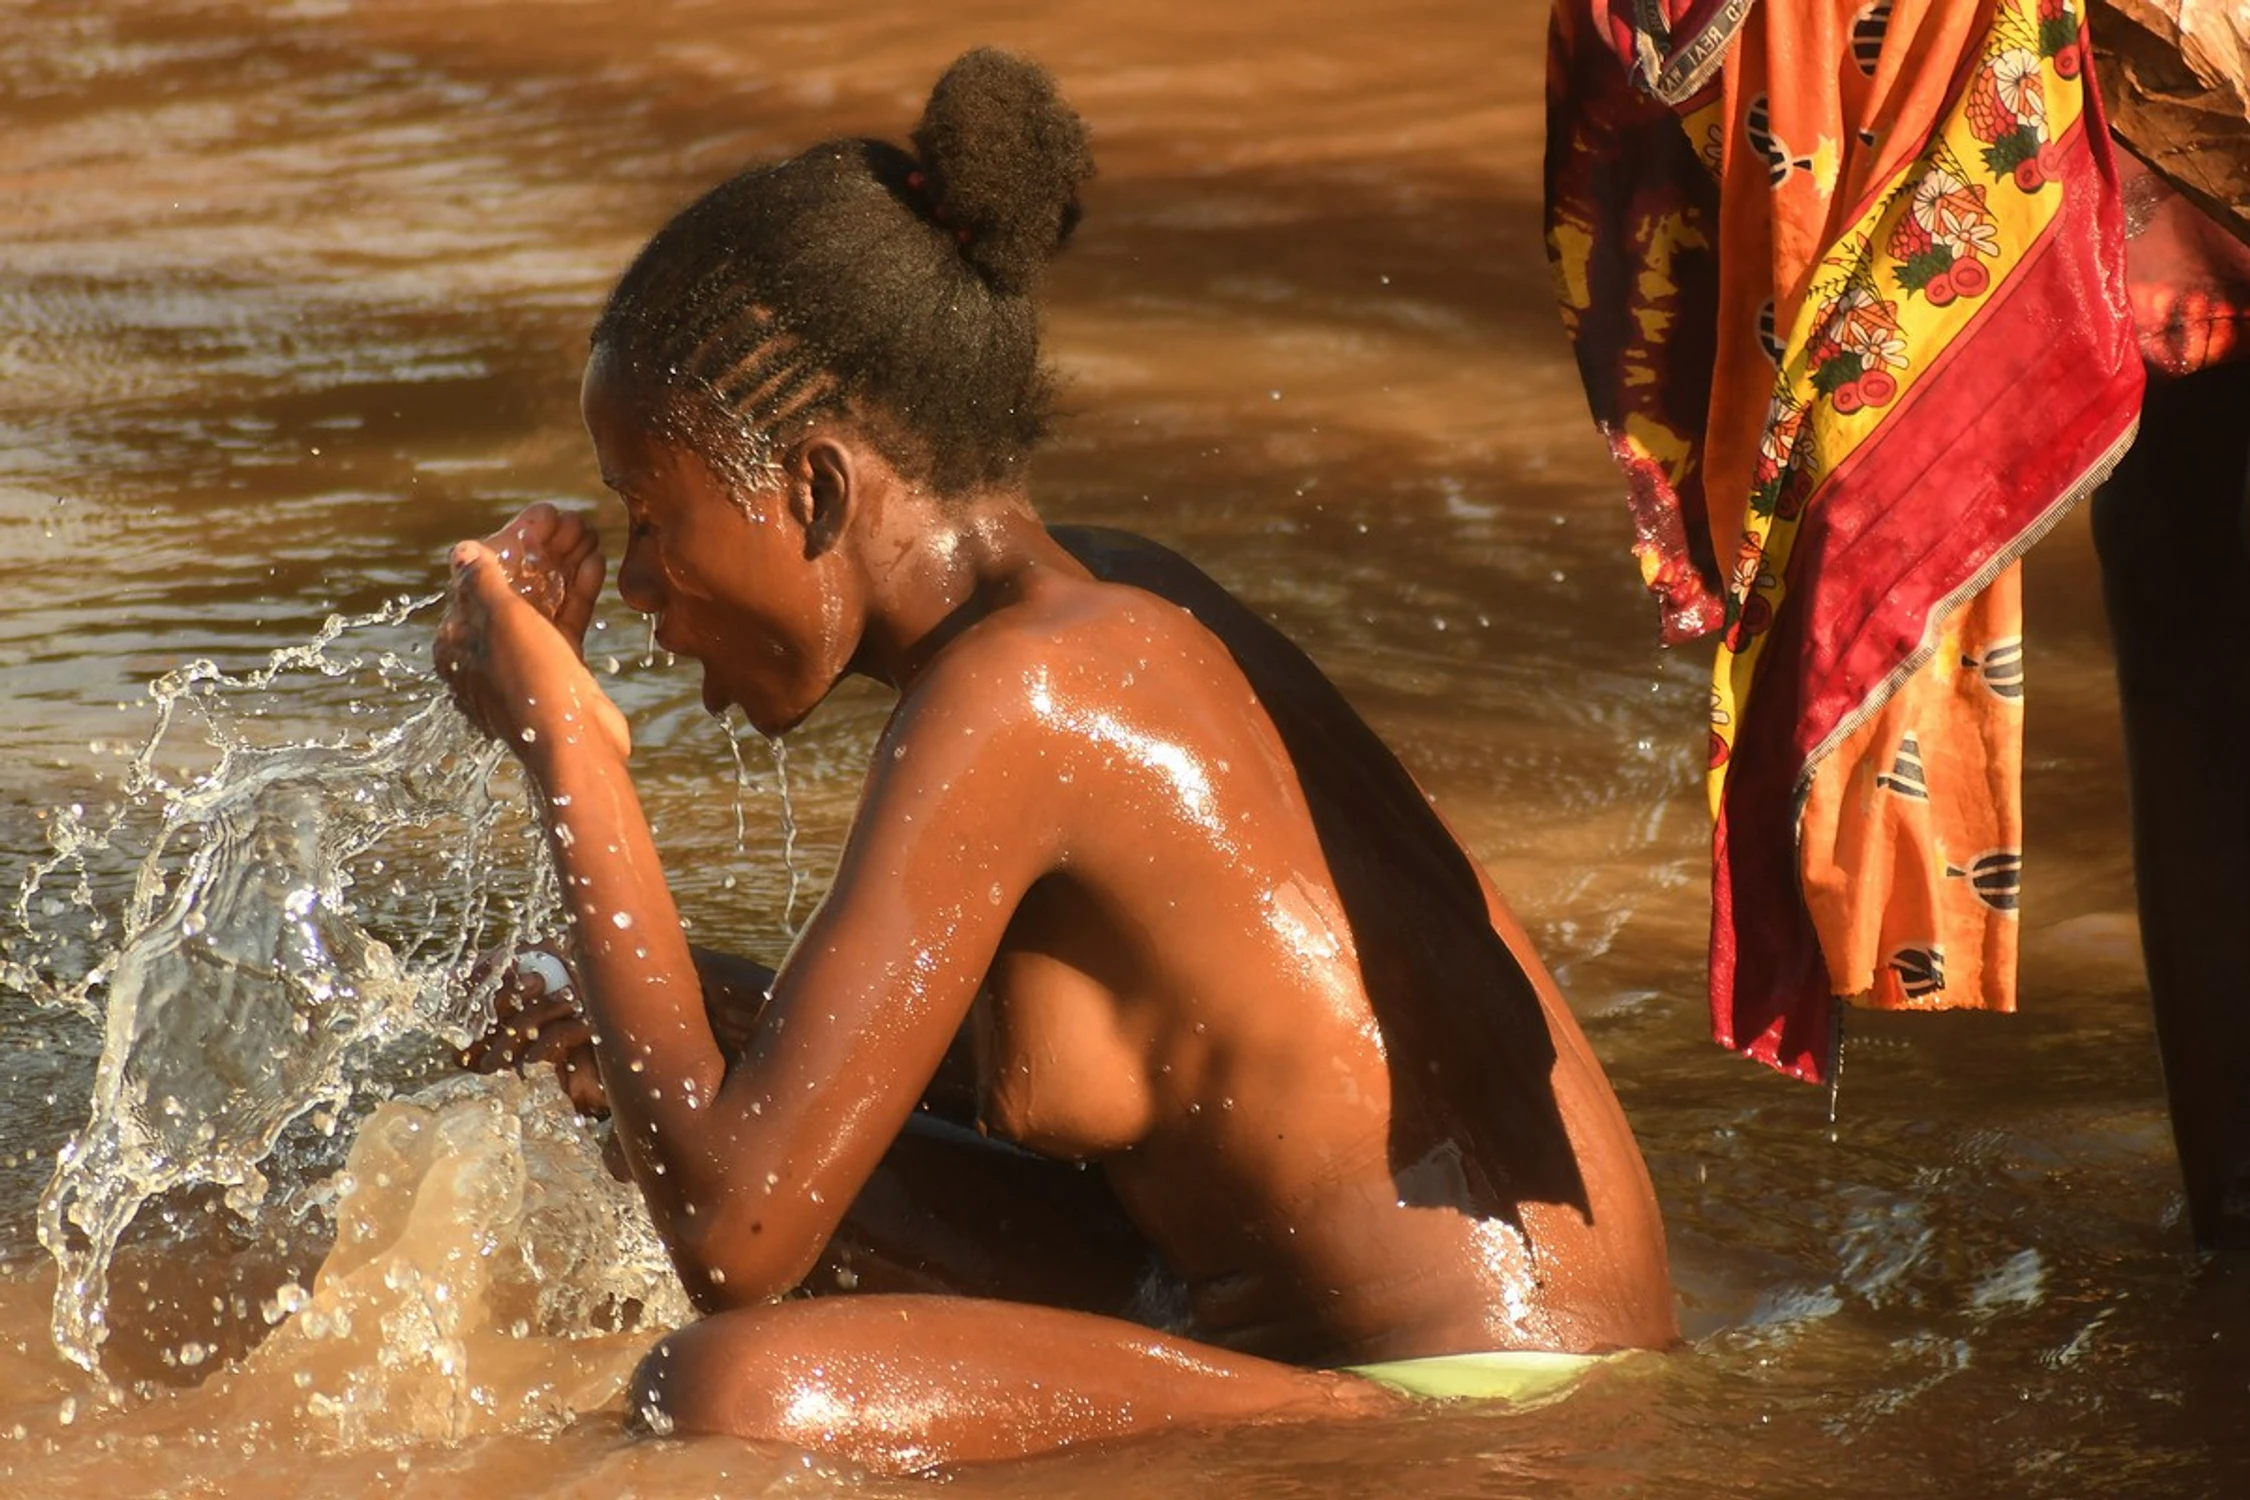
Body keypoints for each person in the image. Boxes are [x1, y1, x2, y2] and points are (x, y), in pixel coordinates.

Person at [434, 48, 1675, 1472]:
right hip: (1339, 1327)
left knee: (718, 1392)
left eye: (652, 520)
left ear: (816, 489)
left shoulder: (1022, 693)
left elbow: (736, 1236)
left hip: (1469, 1407)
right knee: (561, 1027)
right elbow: (886, 1101)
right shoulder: (1103, 603)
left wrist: (569, 749)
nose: (641, 584)